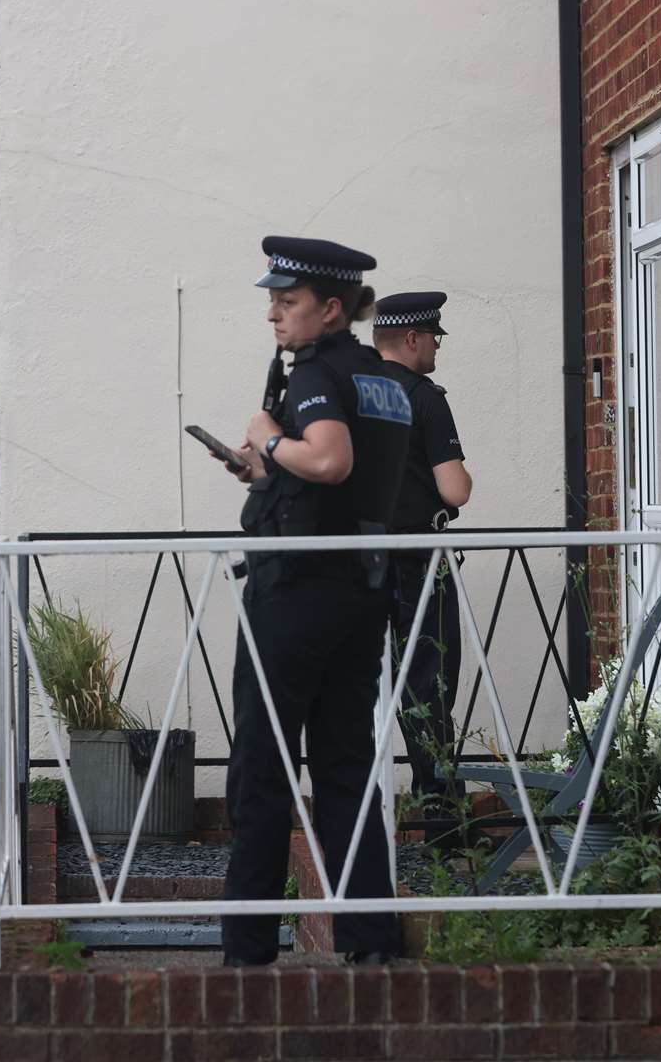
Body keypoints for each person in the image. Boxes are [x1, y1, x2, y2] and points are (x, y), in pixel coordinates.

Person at [212, 235, 411, 967]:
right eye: (271, 301)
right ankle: (368, 937)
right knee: (344, 766)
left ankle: (247, 945)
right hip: (360, 589)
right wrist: (265, 469)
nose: (273, 314)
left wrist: (267, 433)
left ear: (330, 308)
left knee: (261, 764)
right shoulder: (380, 377)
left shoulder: (317, 374)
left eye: (287, 301)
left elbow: (329, 460)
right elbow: (356, 480)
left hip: (295, 591)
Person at [371, 292, 473, 829]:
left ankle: (359, 822)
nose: (436, 344)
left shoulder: (349, 392)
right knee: (428, 685)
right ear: (411, 339)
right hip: (417, 558)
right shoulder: (425, 398)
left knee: (357, 687)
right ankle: (442, 821)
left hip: (355, 561)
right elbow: (454, 491)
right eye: (433, 335)